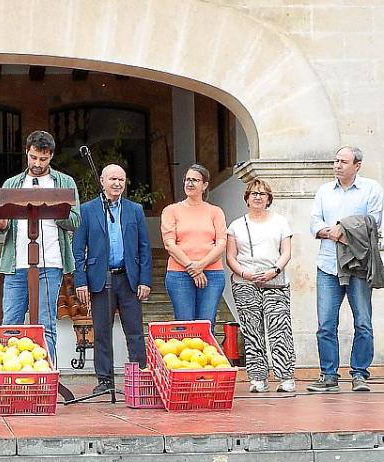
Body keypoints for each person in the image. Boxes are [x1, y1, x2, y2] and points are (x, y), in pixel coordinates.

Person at [0, 131, 80, 364]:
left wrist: (54, 208)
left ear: (51, 156)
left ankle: (46, 372)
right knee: (10, 323)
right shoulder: (12, 183)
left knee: (45, 324)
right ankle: (10, 374)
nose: (37, 163)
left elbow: (75, 221)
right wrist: (1, 222)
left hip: (50, 263)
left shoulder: (64, 182)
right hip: (16, 264)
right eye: (33, 158)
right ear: (27, 152)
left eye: (43, 159)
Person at [307, 146, 383, 393]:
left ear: (357, 165)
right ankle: (329, 375)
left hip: (358, 265)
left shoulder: (371, 189)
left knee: (363, 322)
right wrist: (332, 232)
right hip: (328, 264)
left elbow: (374, 221)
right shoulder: (324, 191)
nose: (337, 165)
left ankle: (359, 374)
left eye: (343, 161)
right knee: (326, 324)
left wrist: (344, 228)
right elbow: (314, 223)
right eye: (336, 161)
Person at [73, 164, 152, 394]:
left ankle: (139, 378)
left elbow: (144, 248)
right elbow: (78, 249)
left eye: (121, 180)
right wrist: (81, 281)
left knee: (135, 332)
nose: (117, 184)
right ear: (102, 181)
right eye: (112, 179)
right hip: (100, 279)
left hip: (128, 278)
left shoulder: (135, 210)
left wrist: (145, 280)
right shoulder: (87, 210)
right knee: (102, 332)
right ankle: (105, 380)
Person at [226, 179, 295, 393]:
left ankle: (285, 377)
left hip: (275, 281)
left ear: (269, 199)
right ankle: (257, 378)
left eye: (262, 194)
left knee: (279, 329)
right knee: (252, 330)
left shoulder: (280, 222)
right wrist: (244, 273)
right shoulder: (236, 225)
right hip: (245, 282)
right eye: (254, 193)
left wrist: (275, 270)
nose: (258, 197)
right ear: (247, 198)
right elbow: (231, 256)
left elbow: (286, 252)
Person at [161, 164, 226, 327]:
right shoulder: (171, 211)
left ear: (204, 185)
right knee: (185, 325)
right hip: (179, 274)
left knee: (206, 324)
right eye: (187, 180)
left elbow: (221, 243)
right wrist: (192, 268)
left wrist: (201, 266)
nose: (190, 183)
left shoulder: (215, 212)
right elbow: (170, 244)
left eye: (195, 180)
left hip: (212, 274)